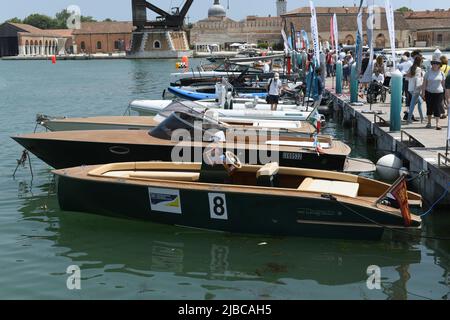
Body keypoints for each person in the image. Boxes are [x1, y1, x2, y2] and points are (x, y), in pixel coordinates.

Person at [422, 53, 446, 130]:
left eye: (436, 64)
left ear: (439, 65)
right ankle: (429, 122)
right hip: (429, 92)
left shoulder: (441, 73)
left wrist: (446, 94)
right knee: (429, 107)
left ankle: (437, 123)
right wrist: (423, 93)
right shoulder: (428, 72)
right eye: (433, 63)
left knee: (437, 107)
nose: (435, 65)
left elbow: (444, 84)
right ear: (432, 64)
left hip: (439, 93)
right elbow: (424, 84)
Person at [406, 55, 425, 124]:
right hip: (416, 89)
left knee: (420, 102)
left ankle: (422, 118)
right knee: (412, 104)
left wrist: (412, 76)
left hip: (410, 88)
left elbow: (407, 76)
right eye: (422, 61)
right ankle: (409, 118)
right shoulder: (419, 69)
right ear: (420, 61)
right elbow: (418, 80)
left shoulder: (411, 68)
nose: (422, 62)